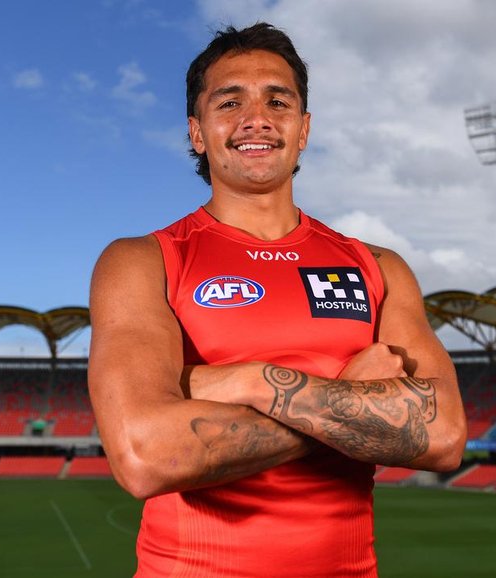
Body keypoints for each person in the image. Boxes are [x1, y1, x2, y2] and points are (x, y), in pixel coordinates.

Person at [88, 22, 467, 578]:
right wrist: (348, 397)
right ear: (197, 131)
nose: (256, 118)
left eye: (277, 99)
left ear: (303, 128)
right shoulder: (142, 262)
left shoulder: (376, 267)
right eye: (230, 101)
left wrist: (241, 381)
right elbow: (149, 456)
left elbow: (444, 436)